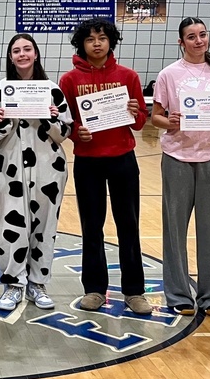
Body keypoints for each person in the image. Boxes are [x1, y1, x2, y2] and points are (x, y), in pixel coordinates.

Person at [59, 18, 152, 315]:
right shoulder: (69, 80)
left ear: (111, 41)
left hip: (123, 158)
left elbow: (139, 123)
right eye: (90, 39)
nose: (96, 43)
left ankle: (134, 292)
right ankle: (95, 289)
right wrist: (76, 133)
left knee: (129, 225)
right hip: (88, 161)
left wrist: (134, 111)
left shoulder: (128, 76)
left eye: (101, 37)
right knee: (92, 227)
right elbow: (66, 122)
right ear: (81, 44)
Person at [151, 18, 210, 317]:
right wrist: (171, 122)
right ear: (182, 42)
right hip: (177, 157)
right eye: (191, 36)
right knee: (174, 230)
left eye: (203, 35)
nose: (198, 40)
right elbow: (156, 117)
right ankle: (178, 294)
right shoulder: (169, 74)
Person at [0, 34, 72, 311]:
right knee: (10, 226)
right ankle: (13, 283)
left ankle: (37, 283)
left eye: (27, 49)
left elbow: (64, 134)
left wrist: (51, 118)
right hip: (8, 167)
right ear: (10, 57)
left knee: (45, 225)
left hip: (48, 167)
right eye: (16, 50)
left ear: (35, 54)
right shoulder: (0, 89)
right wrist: (3, 119)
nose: (22, 54)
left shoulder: (52, 90)